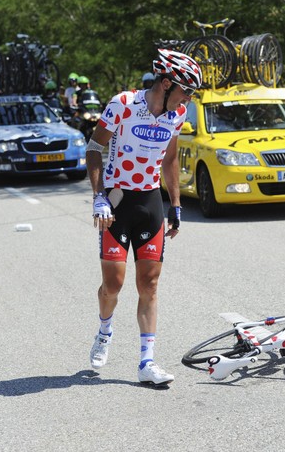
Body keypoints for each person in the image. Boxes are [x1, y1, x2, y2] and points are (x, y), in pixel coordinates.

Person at [86, 49, 202, 385]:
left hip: (150, 203)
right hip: (117, 203)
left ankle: (146, 363)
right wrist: (98, 197)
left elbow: (169, 162)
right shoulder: (123, 104)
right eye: (185, 91)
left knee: (148, 284)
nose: (188, 99)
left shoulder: (176, 115)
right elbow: (94, 148)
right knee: (113, 284)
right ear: (166, 84)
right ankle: (105, 330)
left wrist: (176, 207)